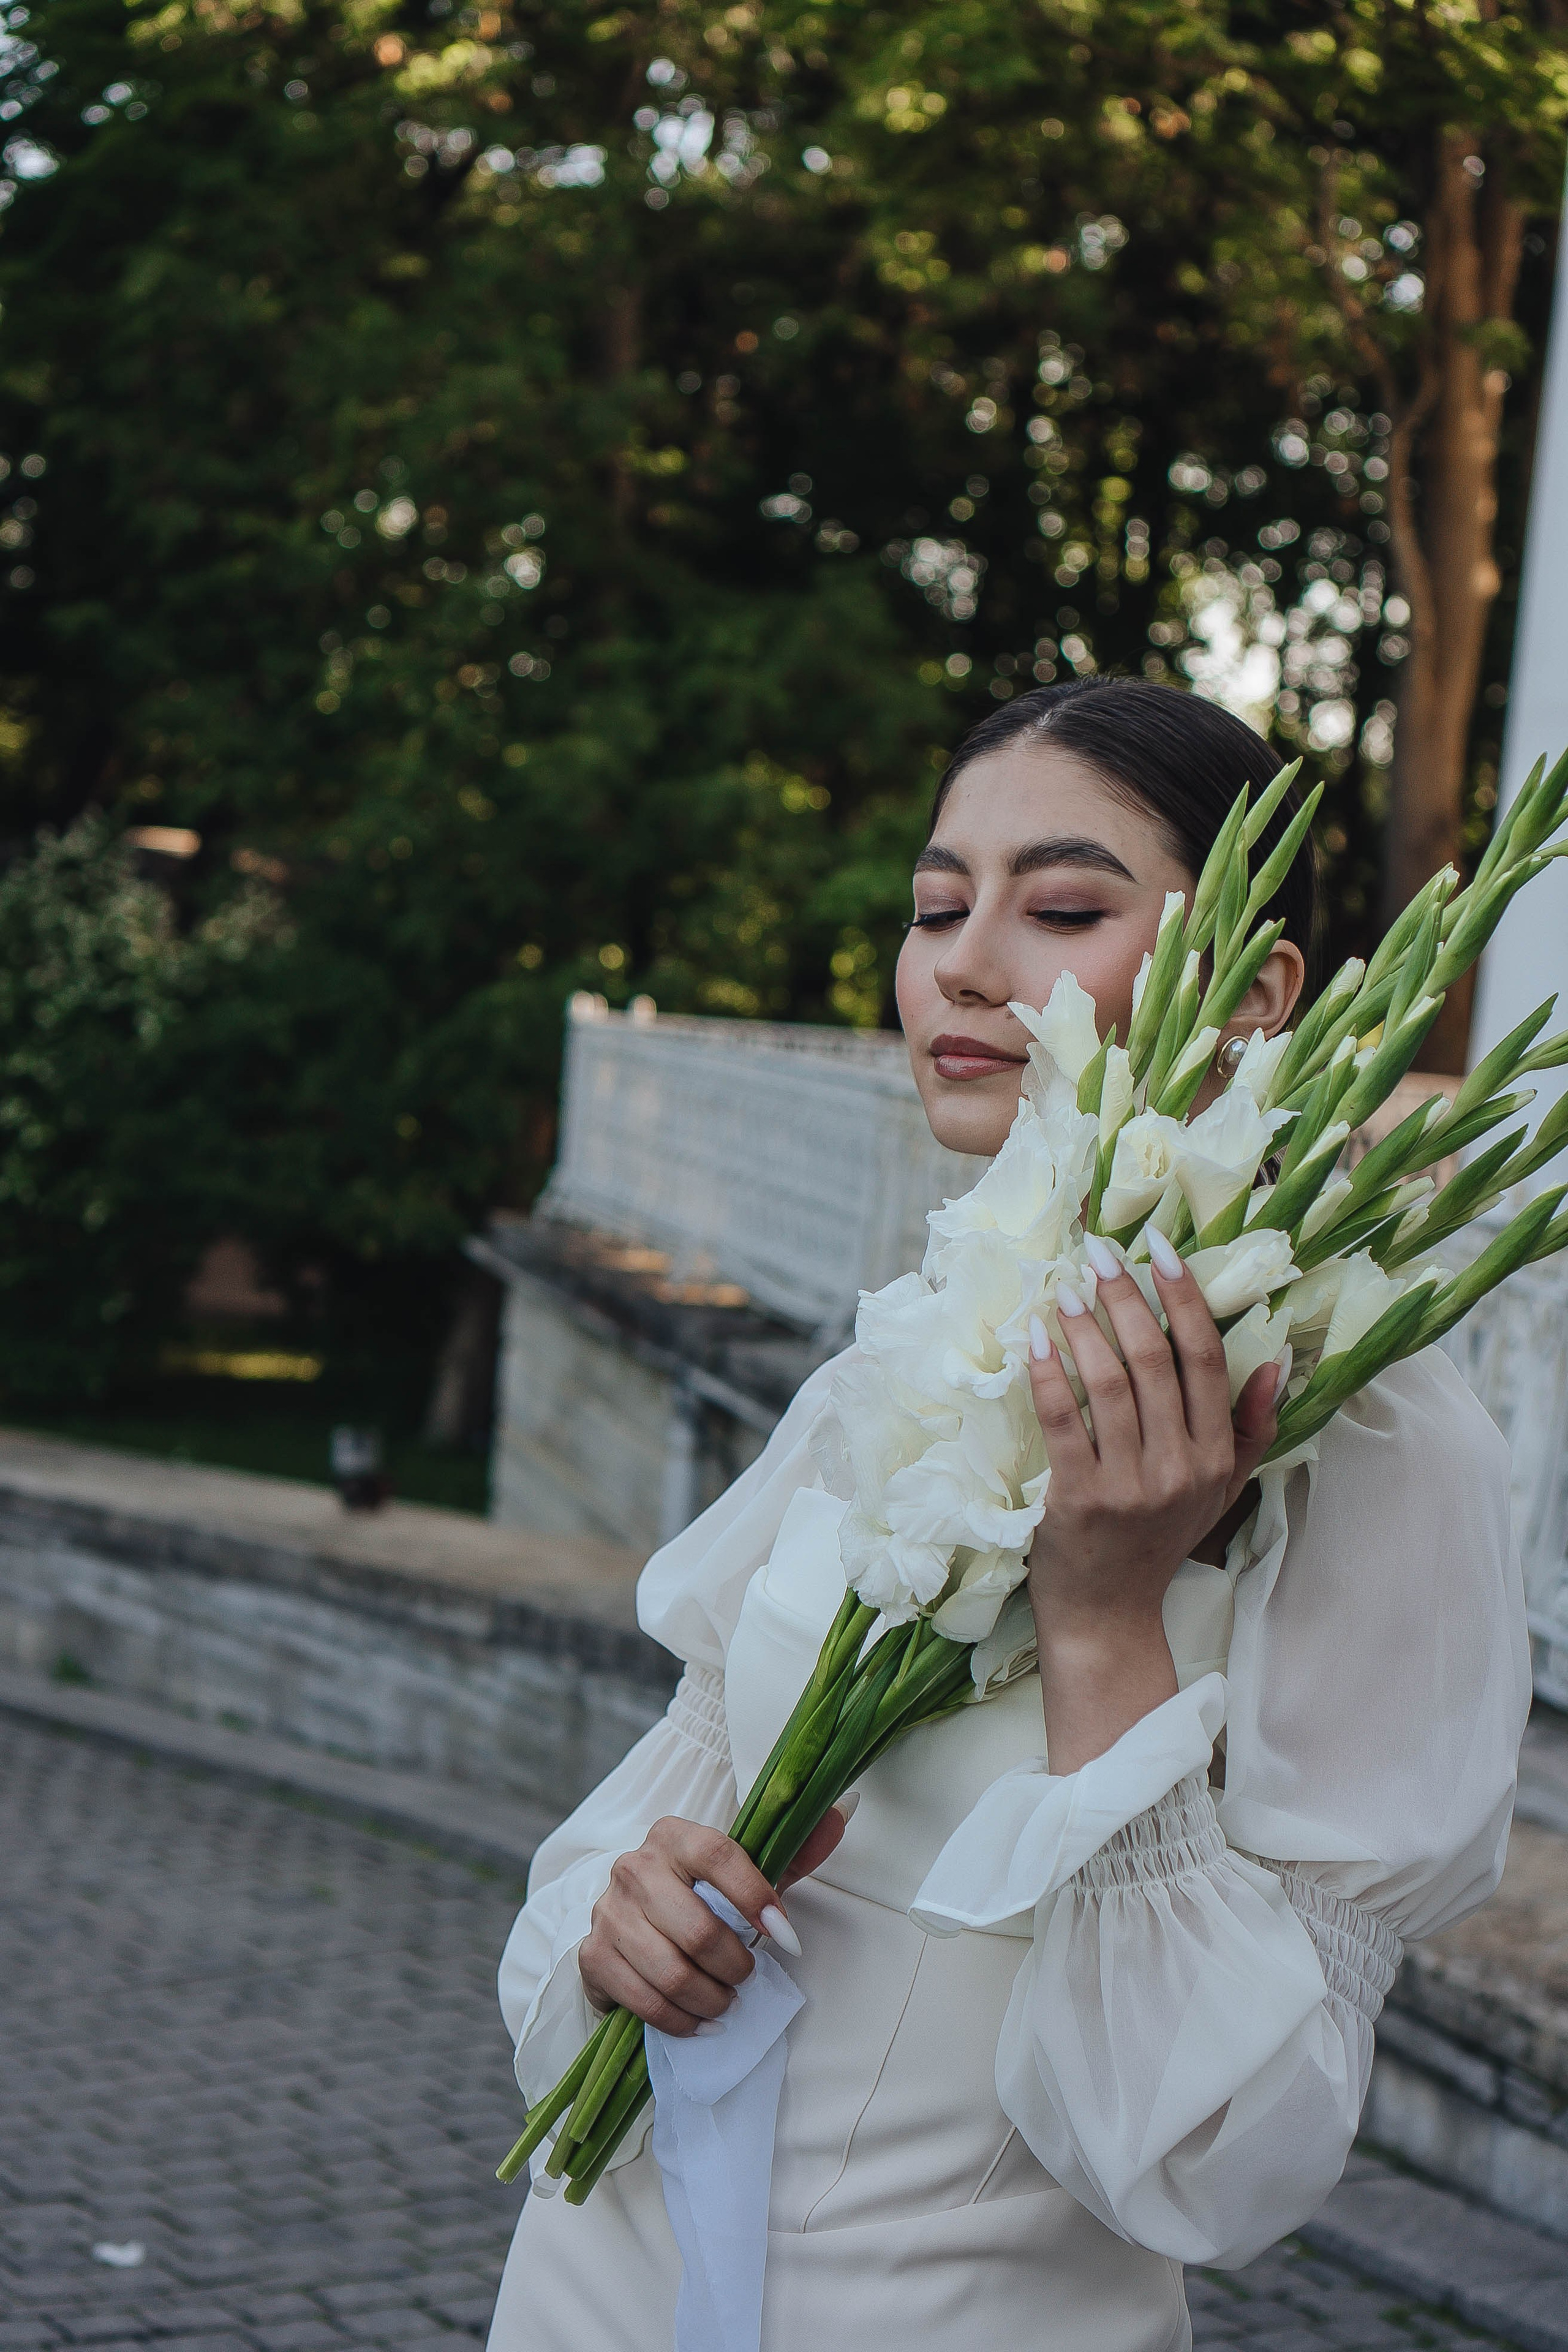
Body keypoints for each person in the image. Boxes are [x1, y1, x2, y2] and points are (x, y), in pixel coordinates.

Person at [486, 677, 1528, 2352]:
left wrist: (1105, 1622)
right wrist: (627, 1926)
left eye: (1057, 906)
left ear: (1254, 993)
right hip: (599, 2287)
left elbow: (1213, 2159)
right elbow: (663, 1796)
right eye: (932, 906)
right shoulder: (909, 1347)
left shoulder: (1369, 1443)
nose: (960, 964)